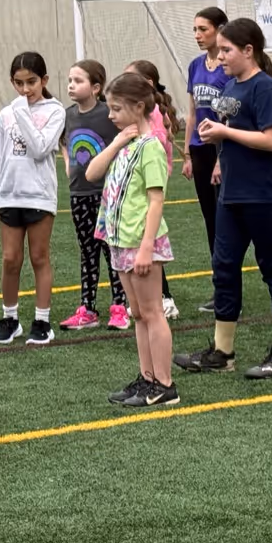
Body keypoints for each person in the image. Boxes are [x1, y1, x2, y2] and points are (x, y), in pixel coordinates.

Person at [175, 18, 272, 379]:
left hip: (263, 193)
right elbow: (234, 134)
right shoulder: (230, 85)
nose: (221, 55)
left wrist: (224, 131)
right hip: (232, 190)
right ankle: (222, 351)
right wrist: (217, 147)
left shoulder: (265, 88)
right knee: (224, 266)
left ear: (249, 51)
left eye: (228, 50)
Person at [85, 73, 179, 408]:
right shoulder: (126, 145)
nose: (110, 115)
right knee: (138, 312)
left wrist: (145, 248)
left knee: (152, 312)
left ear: (138, 107)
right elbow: (91, 173)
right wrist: (115, 142)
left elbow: (156, 200)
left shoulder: (151, 147)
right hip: (119, 239)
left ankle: (165, 384)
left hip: (141, 241)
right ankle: (147, 377)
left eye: (116, 109)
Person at [0, 51, 65, 346]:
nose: (25, 89)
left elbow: (40, 148)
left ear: (44, 80)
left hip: (39, 196)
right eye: (19, 83)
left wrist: (21, 111)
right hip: (10, 195)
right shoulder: (7, 113)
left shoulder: (55, 111)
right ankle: (10, 319)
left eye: (31, 82)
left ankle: (42, 321)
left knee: (38, 257)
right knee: (10, 259)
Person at [62, 60, 128, 331]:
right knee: (87, 251)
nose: (71, 85)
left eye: (78, 81)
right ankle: (87, 308)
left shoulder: (107, 114)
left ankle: (120, 307)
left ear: (96, 87)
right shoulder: (67, 115)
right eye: (69, 80)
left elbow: (125, 141)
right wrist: (68, 164)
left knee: (111, 250)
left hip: (106, 194)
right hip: (79, 193)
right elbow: (65, 142)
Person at [124, 59, 180, 320]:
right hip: (143, 181)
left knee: (148, 236)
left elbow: (154, 147)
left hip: (150, 182)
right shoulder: (146, 111)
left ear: (147, 84)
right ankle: (155, 296)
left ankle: (164, 297)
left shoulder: (153, 113)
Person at [183, 6, 231, 312]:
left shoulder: (228, 66)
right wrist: (188, 151)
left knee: (226, 221)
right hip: (200, 150)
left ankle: (228, 287)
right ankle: (221, 287)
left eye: (204, 29)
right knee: (210, 221)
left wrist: (219, 159)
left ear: (220, 28)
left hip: (222, 148)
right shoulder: (195, 65)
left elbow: (230, 116)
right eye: (196, 30)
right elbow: (191, 112)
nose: (199, 35)